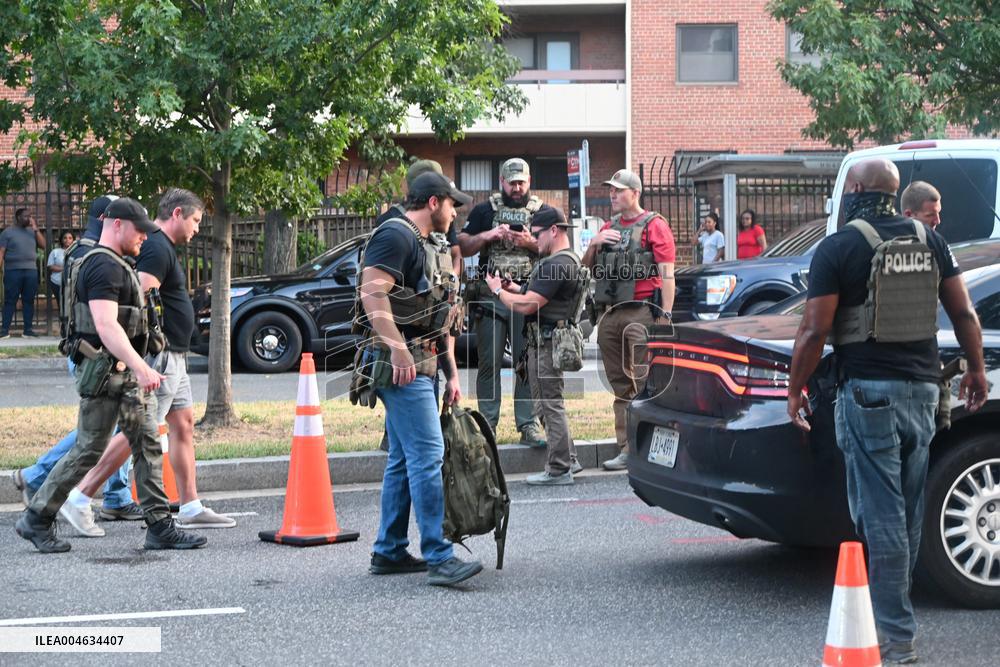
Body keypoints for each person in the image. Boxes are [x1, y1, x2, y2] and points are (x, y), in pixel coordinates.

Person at [787, 159, 987, 665]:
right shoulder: (931, 241)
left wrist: (795, 390)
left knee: (878, 517)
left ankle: (896, 638)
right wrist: (976, 372)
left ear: (854, 190)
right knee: (904, 510)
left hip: (868, 395)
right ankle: (894, 612)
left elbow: (813, 331)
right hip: (923, 393)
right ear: (896, 195)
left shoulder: (840, 247)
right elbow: (964, 313)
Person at [14, 197, 207, 553]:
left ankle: (159, 525)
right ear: (117, 224)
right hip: (112, 372)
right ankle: (37, 517)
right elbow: (105, 325)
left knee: (145, 443)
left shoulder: (112, 262)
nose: (144, 239)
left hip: (115, 372)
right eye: (139, 231)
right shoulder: (104, 267)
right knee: (91, 449)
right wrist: (141, 365)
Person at [55, 188, 235, 536]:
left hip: (174, 354)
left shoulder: (159, 245)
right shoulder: (155, 245)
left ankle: (191, 505)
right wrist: (142, 357)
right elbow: (140, 298)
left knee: (182, 425)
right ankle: (79, 496)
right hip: (162, 354)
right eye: (196, 220)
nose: (198, 228)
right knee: (138, 429)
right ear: (178, 213)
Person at [356, 171, 482, 587]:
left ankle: (389, 550)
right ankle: (439, 555)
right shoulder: (397, 235)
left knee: (403, 461)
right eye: (452, 203)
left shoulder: (432, 244)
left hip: (424, 363)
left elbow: (439, 316)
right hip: (401, 364)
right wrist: (396, 348)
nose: (455, 211)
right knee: (428, 457)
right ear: (433, 202)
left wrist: (452, 375)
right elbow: (371, 293)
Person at [11, 196, 137, 526]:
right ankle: (38, 478)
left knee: (115, 425)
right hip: (94, 353)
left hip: (95, 351)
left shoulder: (82, 251)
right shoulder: (92, 256)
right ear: (107, 220)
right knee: (97, 431)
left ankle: (117, 495)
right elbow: (101, 317)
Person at [485, 207, 586, 485]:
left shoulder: (555, 265)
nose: (534, 239)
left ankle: (558, 469)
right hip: (551, 341)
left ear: (554, 230)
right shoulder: (567, 261)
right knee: (551, 405)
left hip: (546, 344)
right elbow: (537, 293)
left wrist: (497, 290)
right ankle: (570, 459)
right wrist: (514, 287)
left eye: (537, 234)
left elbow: (530, 304)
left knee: (548, 406)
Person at [583, 168, 675, 471]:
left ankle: (649, 447)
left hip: (640, 312)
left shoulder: (654, 225)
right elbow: (586, 268)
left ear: (635, 193)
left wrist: (666, 315)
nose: (612, 194)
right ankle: (626, 448)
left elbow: (667, 274)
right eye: (611, 189)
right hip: (609, 314)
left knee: (644, 381)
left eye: (618, 190)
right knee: (620, 385)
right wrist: (595, 242)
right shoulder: (608, 227)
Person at [457, 158, 548, 446]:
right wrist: (490, 235)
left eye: (522, 182)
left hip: (526, 295)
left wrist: (528, 243)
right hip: (491, 296)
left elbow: (555, 247)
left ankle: (528, 425)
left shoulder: (543, 212)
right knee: (489, 363)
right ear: (502, 182)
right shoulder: (485, 210)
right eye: (512, 183)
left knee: (525, 362)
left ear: (530, 181)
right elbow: (462, 244)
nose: (518, 188)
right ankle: (487, 426)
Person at [0, 208, 46, 337]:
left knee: (29, 300)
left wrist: (36, 228)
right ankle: (4, 331)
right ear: (18, 217)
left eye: (30, 216)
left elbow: (43, 245)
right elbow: (1, 252)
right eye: (26, 216)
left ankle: (28, 330)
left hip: (30, 271)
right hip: (12, 271)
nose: (29, 218)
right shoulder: (7, 233)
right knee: (10, 300)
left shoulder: (33, 232)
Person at [47, 231, 75, 306]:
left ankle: (70, 318)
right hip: (57, 283)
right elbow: (50, 266)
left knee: (71, 305)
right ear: (61, 240)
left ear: (73, 240)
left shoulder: (76, 252)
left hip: (72, 283)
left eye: (70, 238)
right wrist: (64, 268)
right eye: (65, 238)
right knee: (61, 304)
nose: (67, 240)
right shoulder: (55, 252)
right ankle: (62, 318)